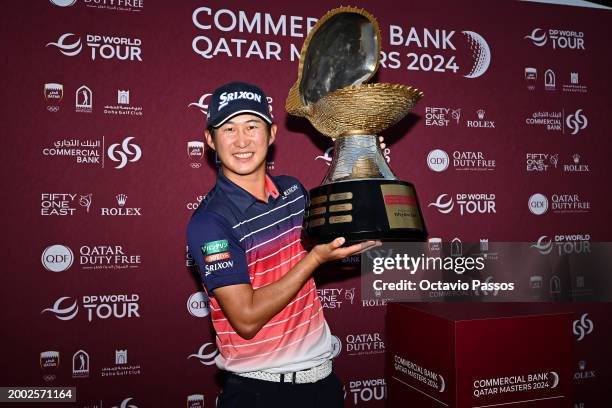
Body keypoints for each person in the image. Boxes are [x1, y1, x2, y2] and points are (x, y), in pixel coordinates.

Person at [186, 81, 378, 408]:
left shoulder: (292, 191)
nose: (242, 141)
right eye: (228, 129)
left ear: (272, 133)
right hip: (261, 393)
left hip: (323, 383)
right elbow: (246, 318)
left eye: (252, 126)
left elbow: (341, 236)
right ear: (210, 140)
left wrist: (364, 159)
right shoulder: (210, 221)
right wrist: (314, 260)